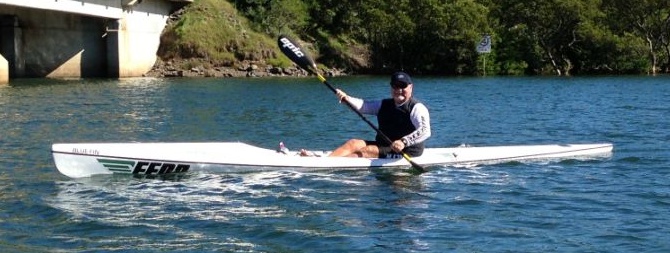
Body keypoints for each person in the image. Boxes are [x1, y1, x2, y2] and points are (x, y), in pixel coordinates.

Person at [311, 71, 431, 158]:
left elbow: (425, 130)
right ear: (391, 87)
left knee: (367, 150)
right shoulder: (384, 104)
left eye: (403, 86)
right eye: (395, 86)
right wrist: (346, 98)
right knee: (353, 143)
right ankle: (328, 161)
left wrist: (403, 142)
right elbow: (363, 106)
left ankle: (330, 166)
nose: (399, 89)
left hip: (406, 151)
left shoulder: (417, 108)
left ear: (411, 87)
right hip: (385, 145)